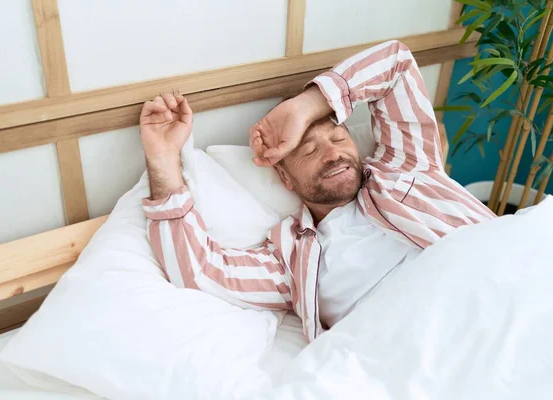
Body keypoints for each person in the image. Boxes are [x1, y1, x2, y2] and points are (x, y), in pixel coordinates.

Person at [139, 40, 496, 343]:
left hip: (494, 285)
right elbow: (199, 270)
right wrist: (163, 159)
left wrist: (305, 106)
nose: (333, 152)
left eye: (339, 138)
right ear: (286, 179)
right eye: (308, 150)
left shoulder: (404, 167)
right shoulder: (292, 259)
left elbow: (397, 63)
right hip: (414, 345)